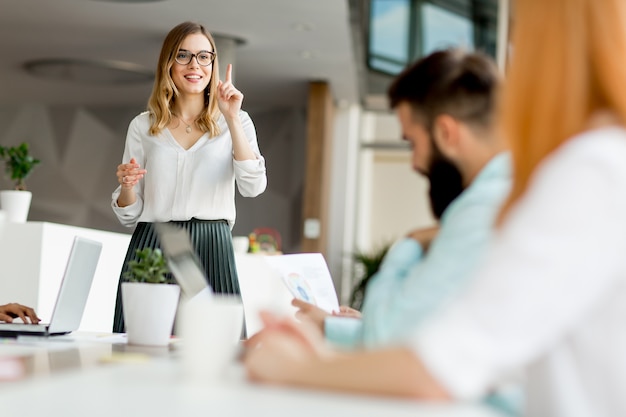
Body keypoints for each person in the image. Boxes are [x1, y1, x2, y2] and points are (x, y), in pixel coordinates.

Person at [244, 0, 626, 415]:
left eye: (520, 34)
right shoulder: (582, 170)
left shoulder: (589, 171)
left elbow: (421, 354)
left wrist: (293, 369)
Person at [292, 49, 511, 354]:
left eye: (413, 143)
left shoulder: (482, 210)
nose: (414, 163)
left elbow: (384, 338)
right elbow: (425, 329)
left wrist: (410, 242)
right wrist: (339, 327)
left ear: (446, 133)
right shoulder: (512, 194)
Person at [111, 21, 267, 333]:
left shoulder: (236, 120)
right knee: (141, 350)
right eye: (183, 56)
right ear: (168, 63)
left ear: (213, 62)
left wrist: (232, 118)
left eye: (203, 56)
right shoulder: (143, 126)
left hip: (212, 244)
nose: (194, 65)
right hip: (153, 243)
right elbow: (130, 214)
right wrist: (127, 187)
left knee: (219, 352)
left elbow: (253, 186)